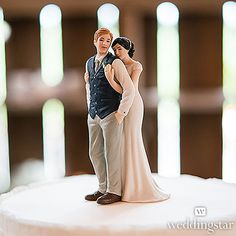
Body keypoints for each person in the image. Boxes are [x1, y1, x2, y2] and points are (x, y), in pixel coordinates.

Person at [104, 37, 170, 202]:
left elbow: (129, 89)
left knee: (131, 139)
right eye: (115, 49)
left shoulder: (135, 66)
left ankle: (136, 184)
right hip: (119, 104)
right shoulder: (115, 65)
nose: (117, 52)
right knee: (121, 141)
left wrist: (111, 80)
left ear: (127, 49)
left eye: (120, 49)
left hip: (132, 105)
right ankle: (122, 184)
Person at [84, 29, 135, 205]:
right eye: (102, 40)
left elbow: (129, 89)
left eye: (108, 40)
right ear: (95, 41)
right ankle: (102, 187)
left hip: (110, 113)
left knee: (112, 153)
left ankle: (114, 191)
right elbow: (89, 87)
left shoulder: (115, 63)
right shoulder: (89, 62)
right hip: (94, 114)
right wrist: (89, 107)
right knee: (95, 152)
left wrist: (121, 112)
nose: (105, 43)